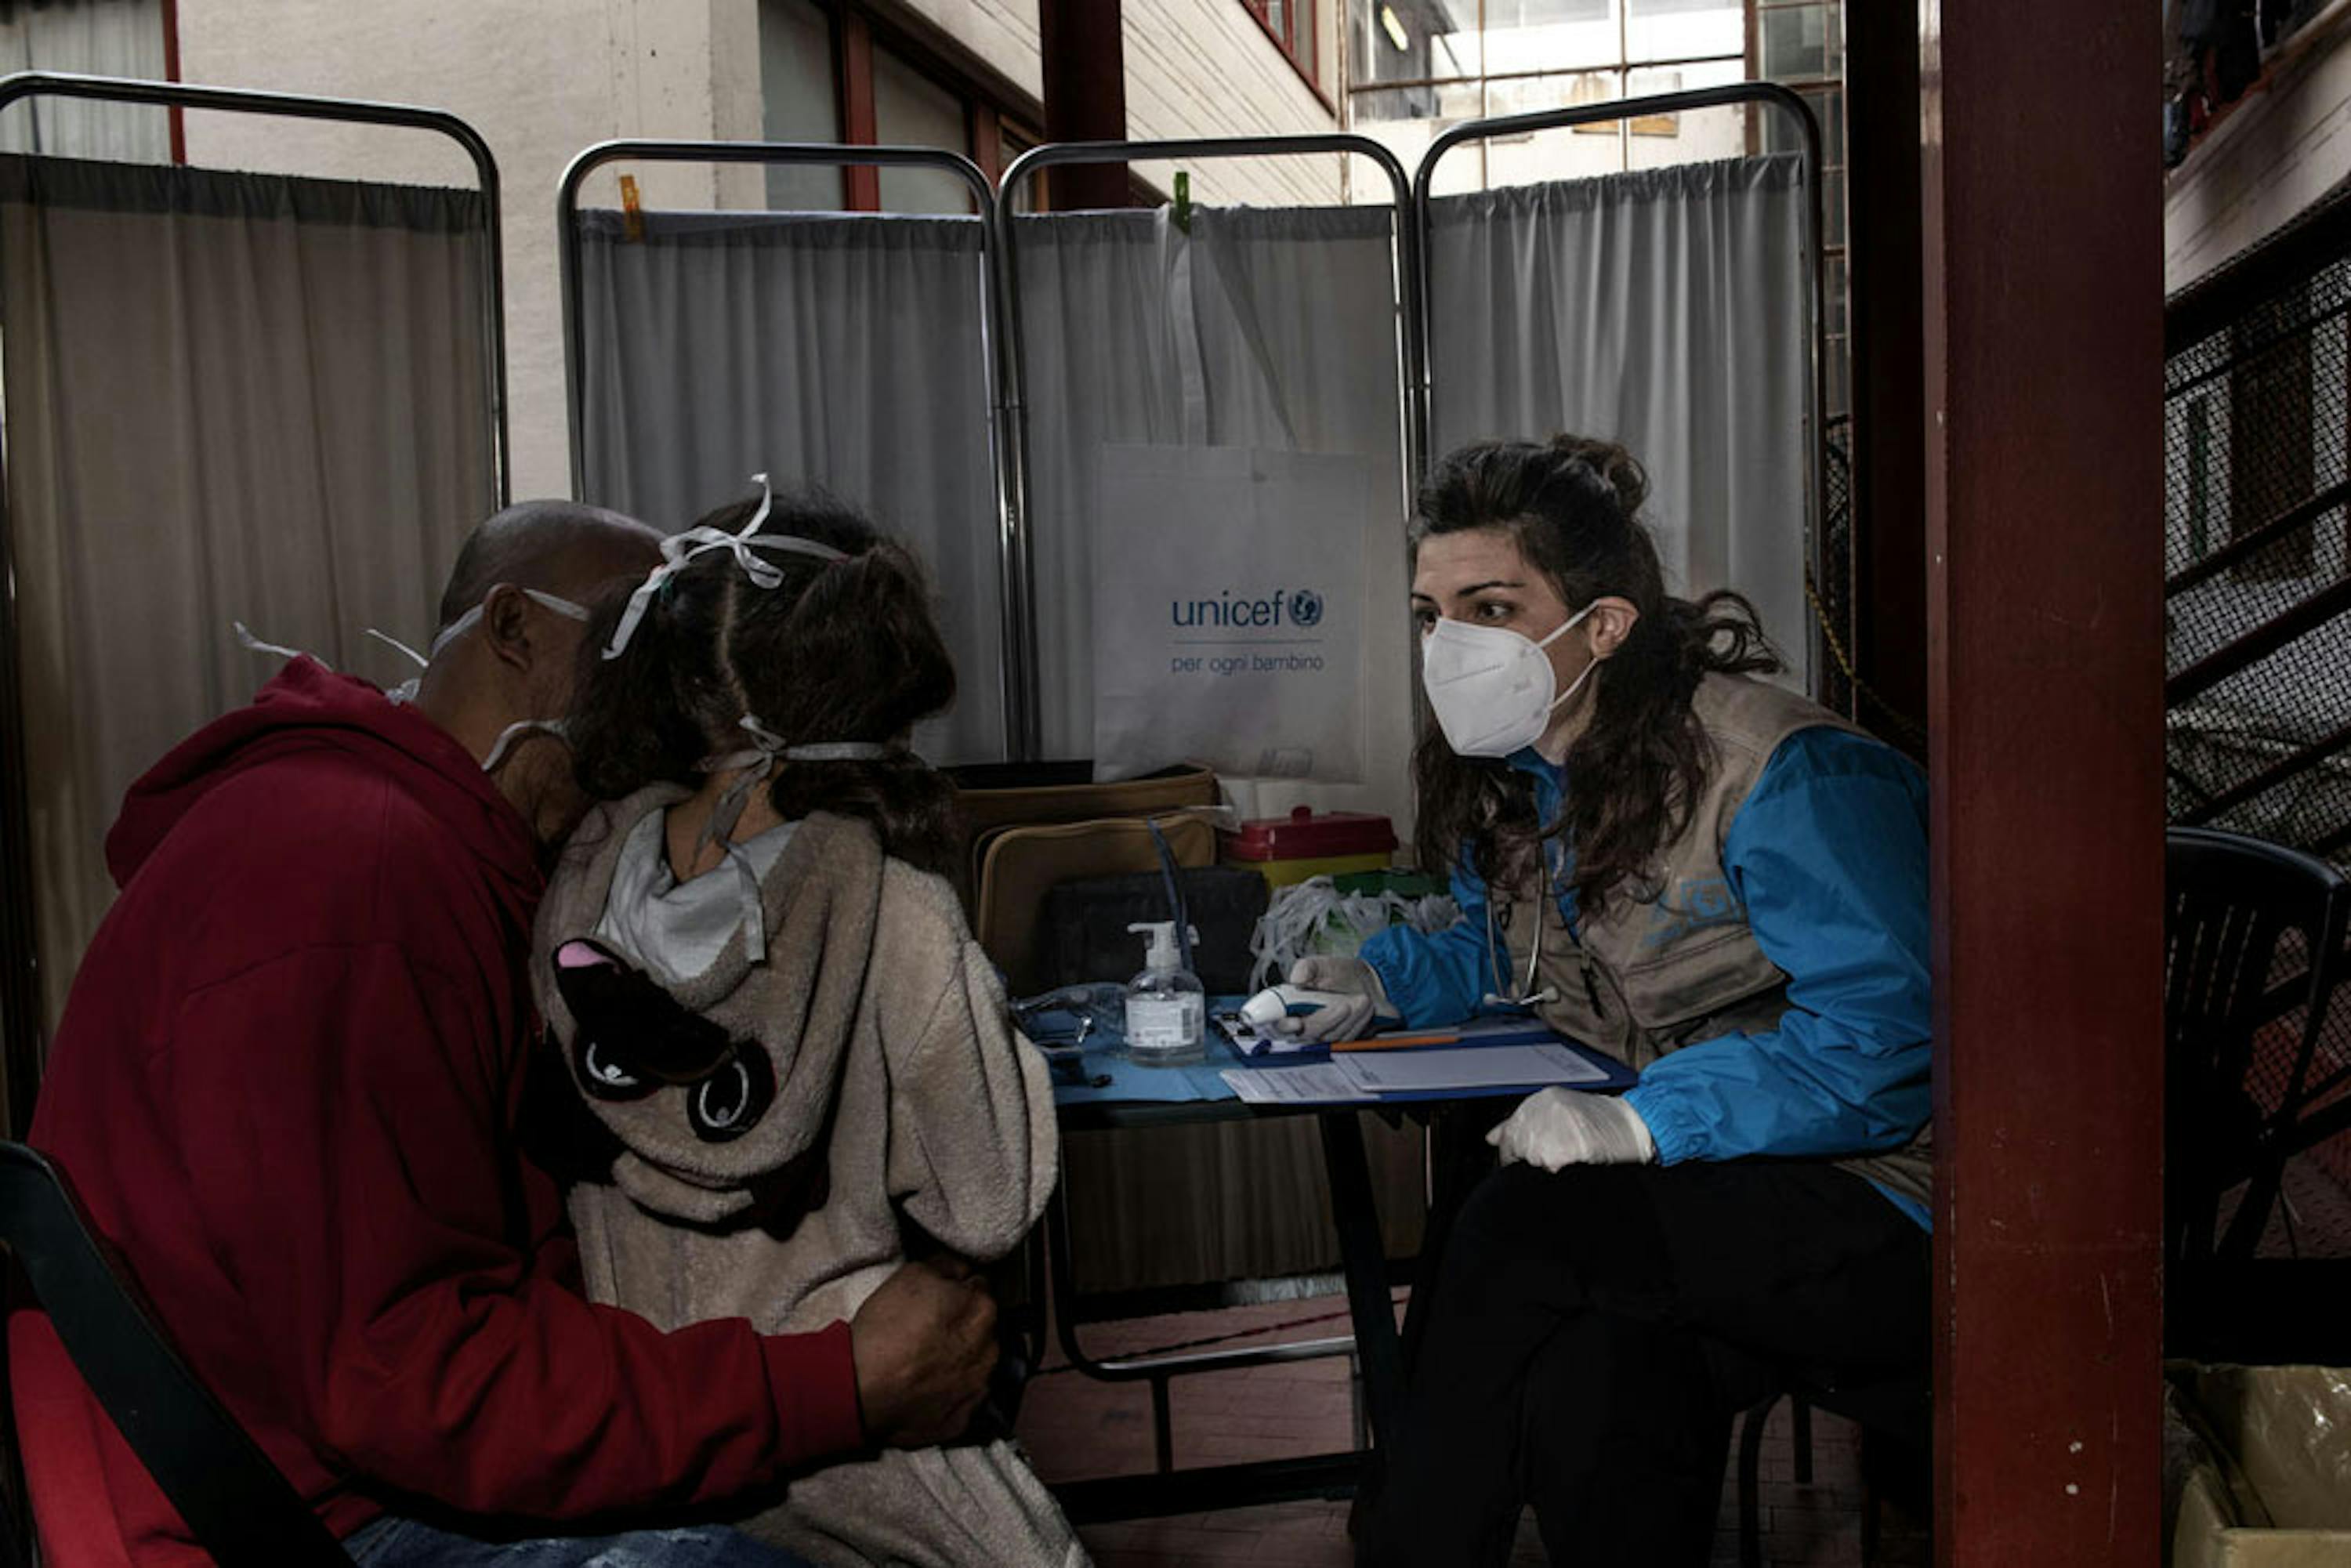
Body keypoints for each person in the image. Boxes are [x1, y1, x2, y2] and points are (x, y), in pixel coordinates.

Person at [9, 501, 1003, 1568]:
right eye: (634, 641)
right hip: (277, 1523)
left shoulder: (444, 853)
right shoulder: (356, 872)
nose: (672, 697)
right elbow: (413, 1376)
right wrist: (829, 1384)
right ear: (515, 629)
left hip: (318, 1462)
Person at [1289, 438, 1932, 1566]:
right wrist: (1380, 980)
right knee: (1602, 1366)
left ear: (1605, 625)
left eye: (1492, 605)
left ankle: (1410, 1545)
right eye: (1433, 613)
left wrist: (1646, 1117)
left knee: (1516, 1219)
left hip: (1897, 1202)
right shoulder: (1537, 778)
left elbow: (1893, 1038)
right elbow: (1514, 950)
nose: (1452, 646)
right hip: (1728, 1192)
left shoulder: (1782, 773)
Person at [533, 482, 1083, 1568]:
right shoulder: (889, 903)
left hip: (634, 1428)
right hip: (856, 1420)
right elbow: (989, 1197)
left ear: (687, 675)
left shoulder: (581, 871)